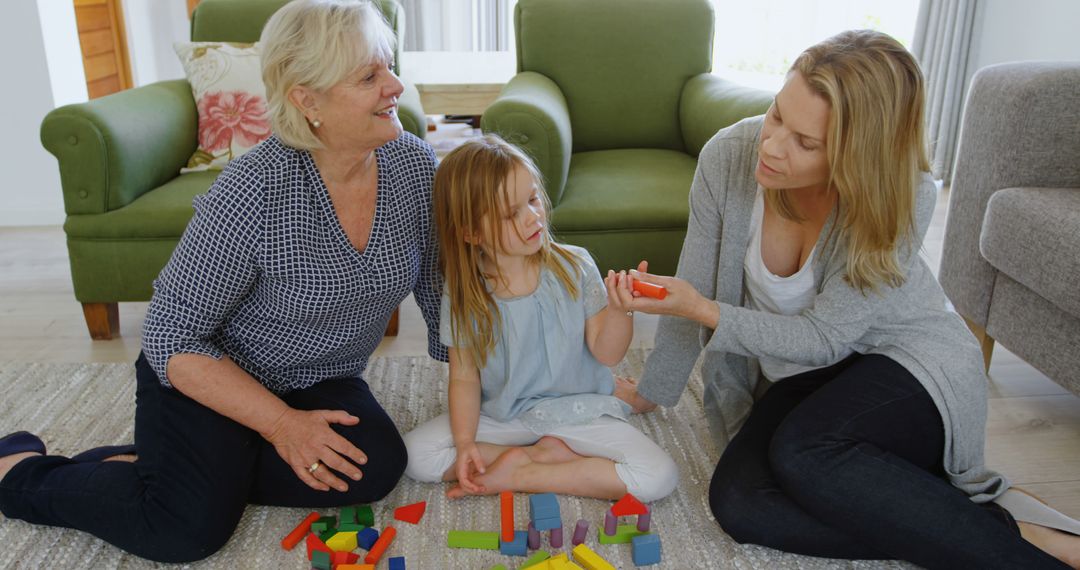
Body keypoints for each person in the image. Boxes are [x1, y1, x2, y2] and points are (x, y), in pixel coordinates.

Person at [0, 0, 446, 562]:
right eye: (369, 76)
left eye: (388, 66)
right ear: (307, 100)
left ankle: (178, 466)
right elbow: (170, 338)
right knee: (183, 529)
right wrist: (281, 425)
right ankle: (20, 473)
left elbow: (439, 285)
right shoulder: (253, 190)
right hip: (213, 374)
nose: (395, 86)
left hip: (318, 377)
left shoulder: (414, 167)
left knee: (374, 465)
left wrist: (491, 381)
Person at [617, 30, 1080, 569]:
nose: (770, 145)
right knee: (739, 504)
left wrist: (703, 309)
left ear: (857, 154)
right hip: (805, 374)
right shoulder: (728, 159)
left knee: (803, 456)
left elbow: (822, 335)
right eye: (776, 115)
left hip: (906, 362)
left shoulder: (904, 195)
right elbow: (691, 287)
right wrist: (655, 389)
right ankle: (985, 525)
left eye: (805, 142)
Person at [402, 135, 678, 502]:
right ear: (471, 233)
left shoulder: (575, 265)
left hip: (580, 411)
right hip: (505, 416)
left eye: (532, 200)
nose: (532, 216)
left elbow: (607, 354)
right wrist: (467, 442)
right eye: (510, 213)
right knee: (416, 455)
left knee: (659, 476)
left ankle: (527, 470)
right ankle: (547, 458)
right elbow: (465, 377)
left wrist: (620, 308)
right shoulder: (464, 291)